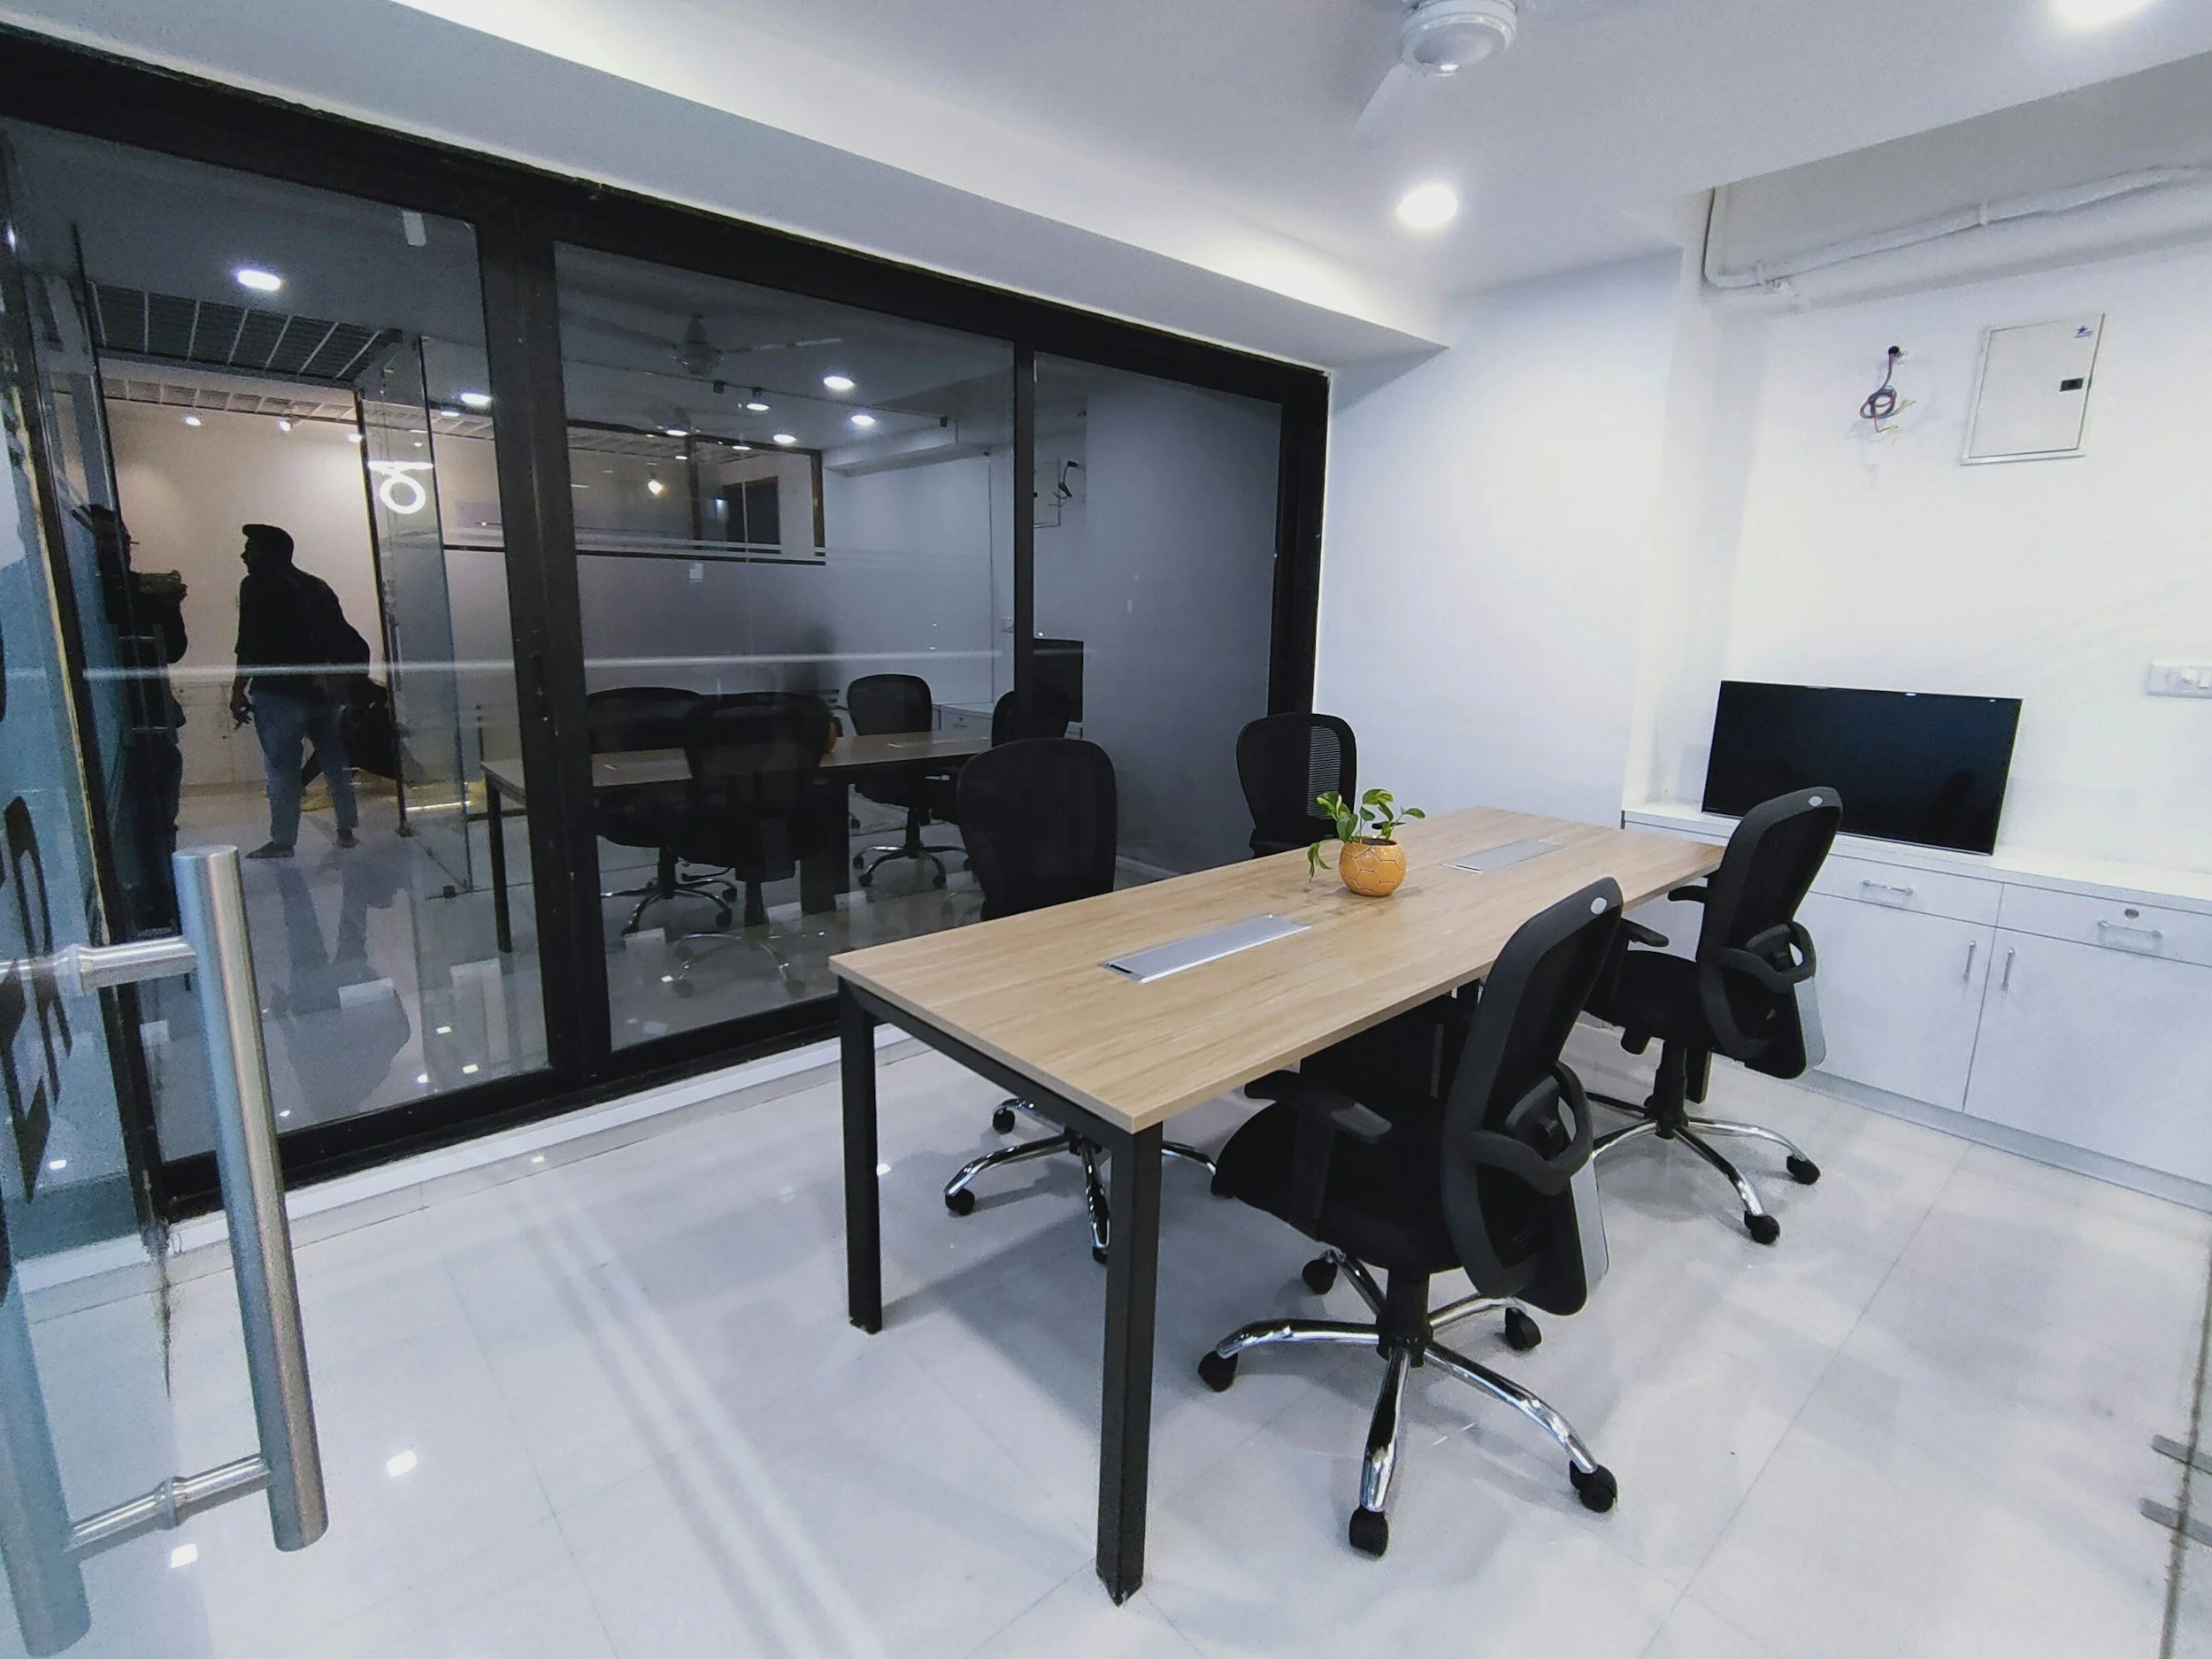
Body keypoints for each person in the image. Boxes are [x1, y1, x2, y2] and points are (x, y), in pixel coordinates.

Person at [227, 522, 363, 858]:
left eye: (251, 549)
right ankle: (346, 830)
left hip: (279, 692)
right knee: (335, 762)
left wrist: (238, 690)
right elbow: (342, 636)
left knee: (282, 770)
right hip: (322, 691)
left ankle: (283, 841)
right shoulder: (317, 586)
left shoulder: (256, 586)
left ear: (269, 553)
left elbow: (250, 644)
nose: (244, 555)